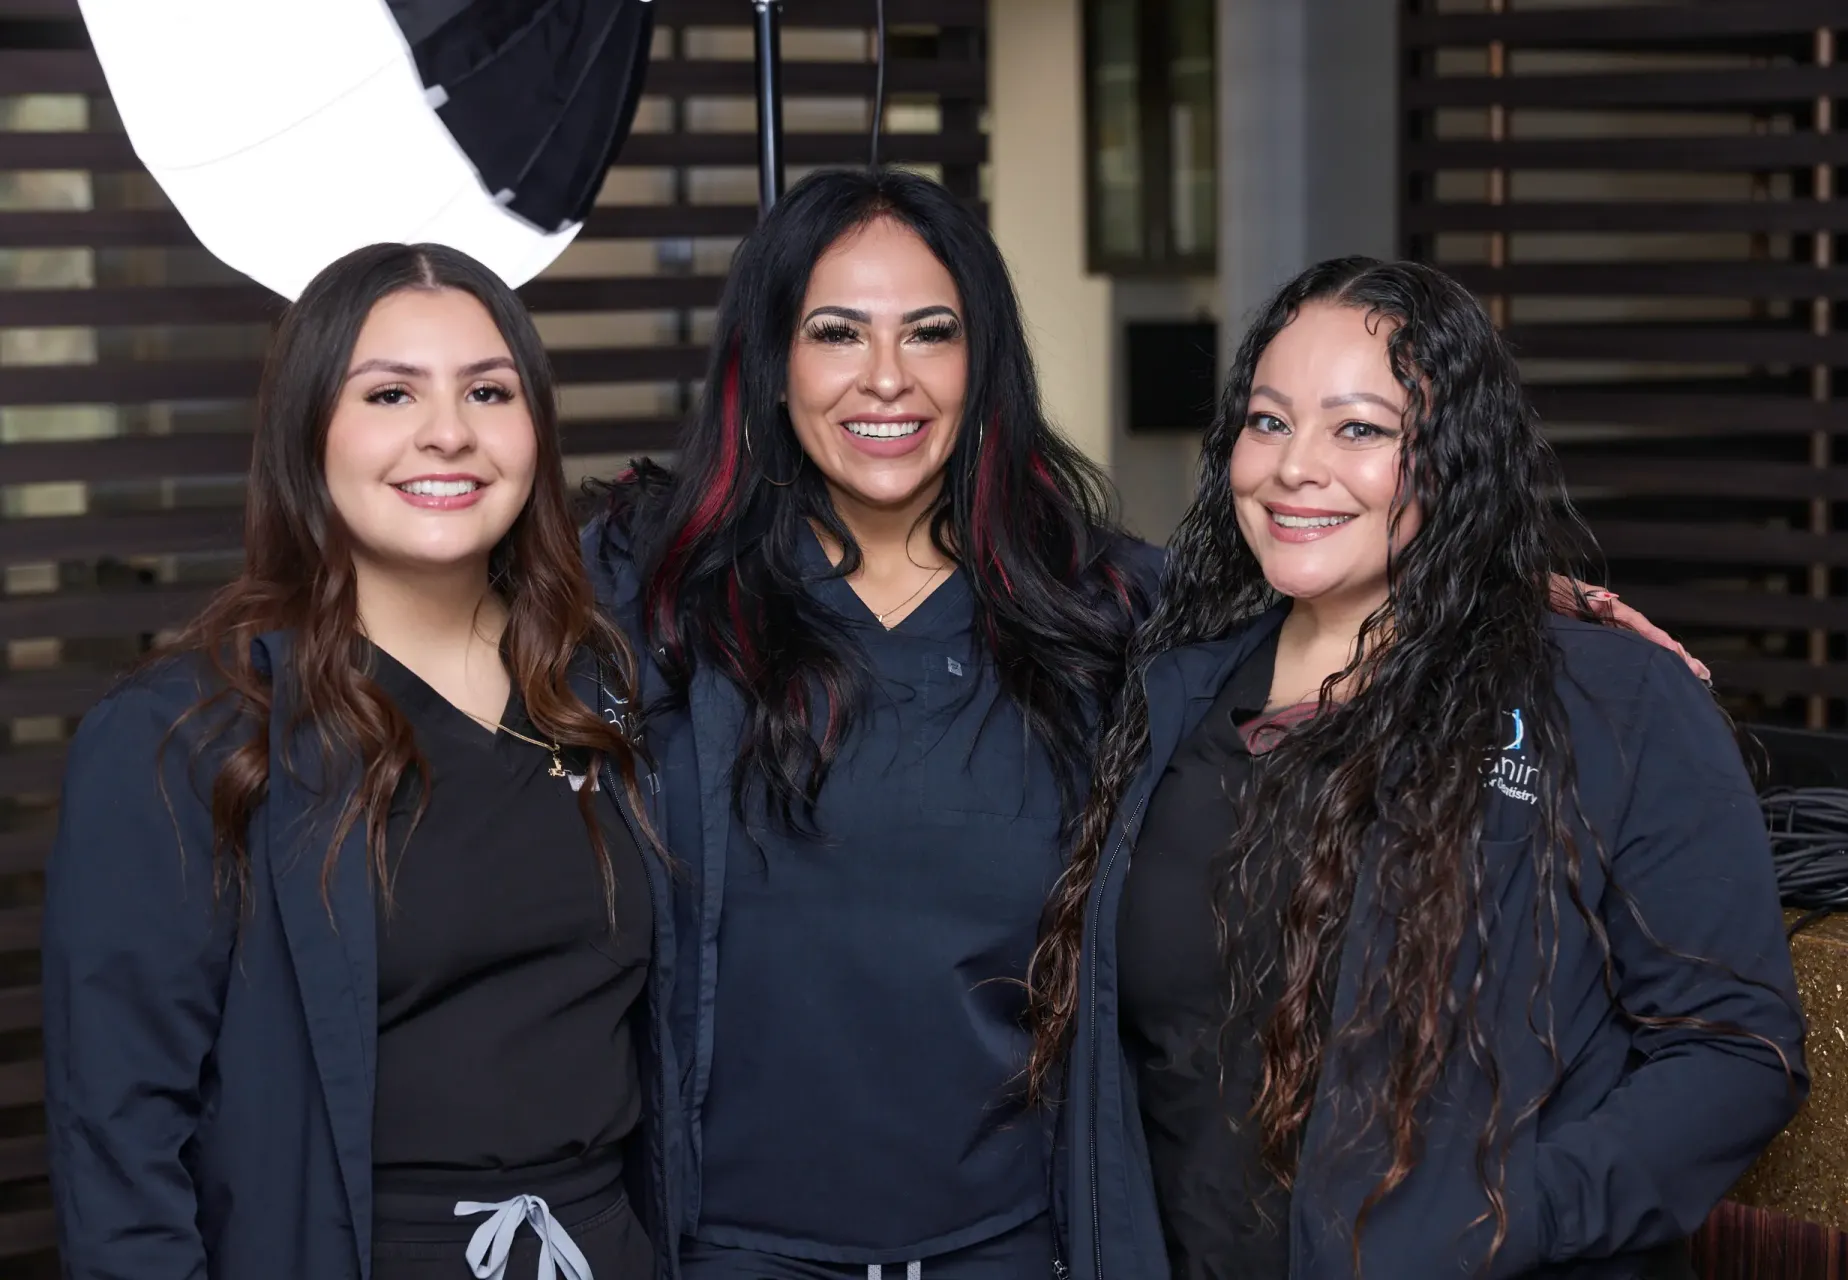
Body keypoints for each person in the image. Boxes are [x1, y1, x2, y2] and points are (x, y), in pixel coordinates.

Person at [584, 171, 1704, 1279]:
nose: (888, 377)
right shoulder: (657, 599)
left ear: (983, 369)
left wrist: (1527, 593)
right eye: (837, 332)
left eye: (932, 332)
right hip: (725, 1243)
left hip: (1021, 1244)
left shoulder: (1105, 609)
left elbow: (1329, 570)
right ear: (770, 364)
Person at [1028, 257, 1807, 1280]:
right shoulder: (1172, 687)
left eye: (1360, 429)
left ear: (1452, 455)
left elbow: (1737, 1053)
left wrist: (1501, 1218)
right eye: (1269, 421)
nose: (1296, 465)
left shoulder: (1611, 699)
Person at [43, 243, 678, 1280]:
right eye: (389, 392)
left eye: (488, 389)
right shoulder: (188, 734)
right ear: (309, 431)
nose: (449, 431)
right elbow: (118, 1138)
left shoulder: (602, 688)